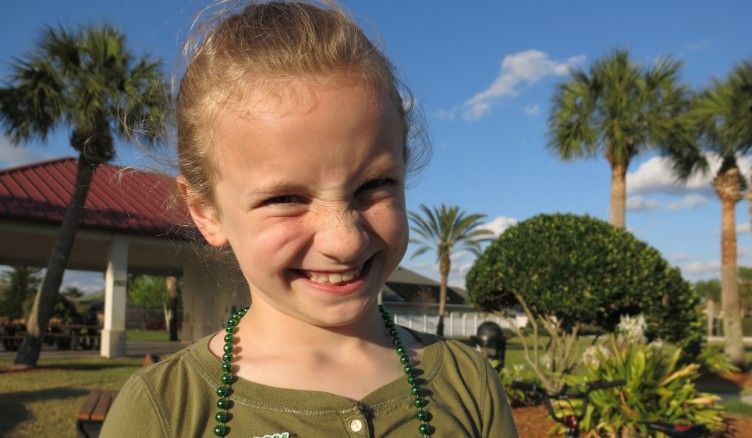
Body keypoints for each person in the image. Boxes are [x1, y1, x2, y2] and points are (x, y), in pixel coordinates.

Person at [101, 1, 517, 437]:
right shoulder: (164, 411)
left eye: (374, 185)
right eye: (285, 198)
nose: (345, 241)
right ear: (206, 212)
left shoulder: (468, 384)